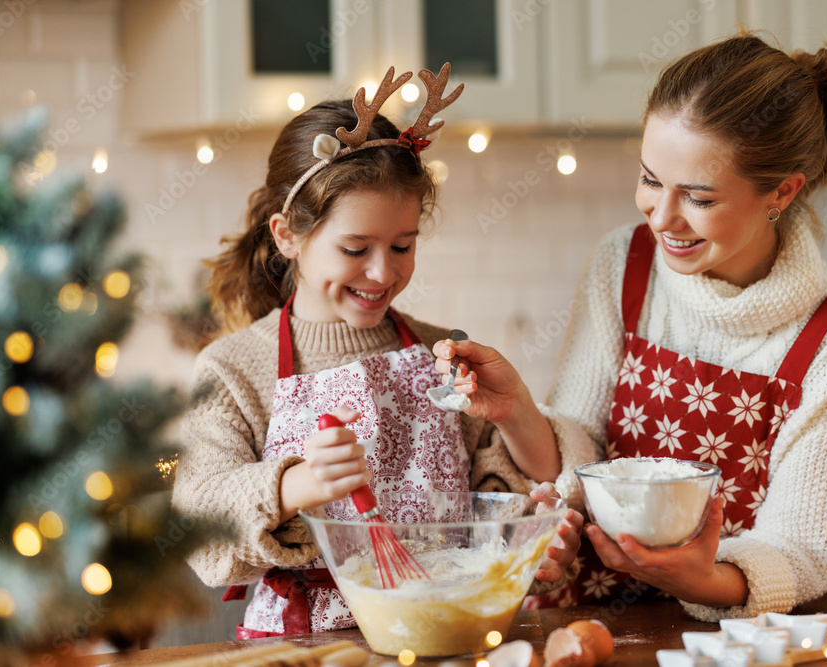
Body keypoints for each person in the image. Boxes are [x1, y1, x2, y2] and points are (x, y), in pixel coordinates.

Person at [434, 33, 827, 620]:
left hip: (744, 640)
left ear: (782, 190)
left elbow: (800, 551)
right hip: (597, 620)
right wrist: (517, 409)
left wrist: (700, 579)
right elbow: (580, 451)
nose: (662, 217)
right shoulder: (623, 265)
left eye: (698, 197)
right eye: (651, 180)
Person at [172, 66, 589, 638]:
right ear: (287, 235)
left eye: (402, 245)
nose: (382, 271)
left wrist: (529, 543)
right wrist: (301, 484)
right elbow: (201, 519)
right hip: (304, 647)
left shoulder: (440, 352)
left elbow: (501, 492)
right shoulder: (233, 369)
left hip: (446, 628)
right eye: (354, 248)